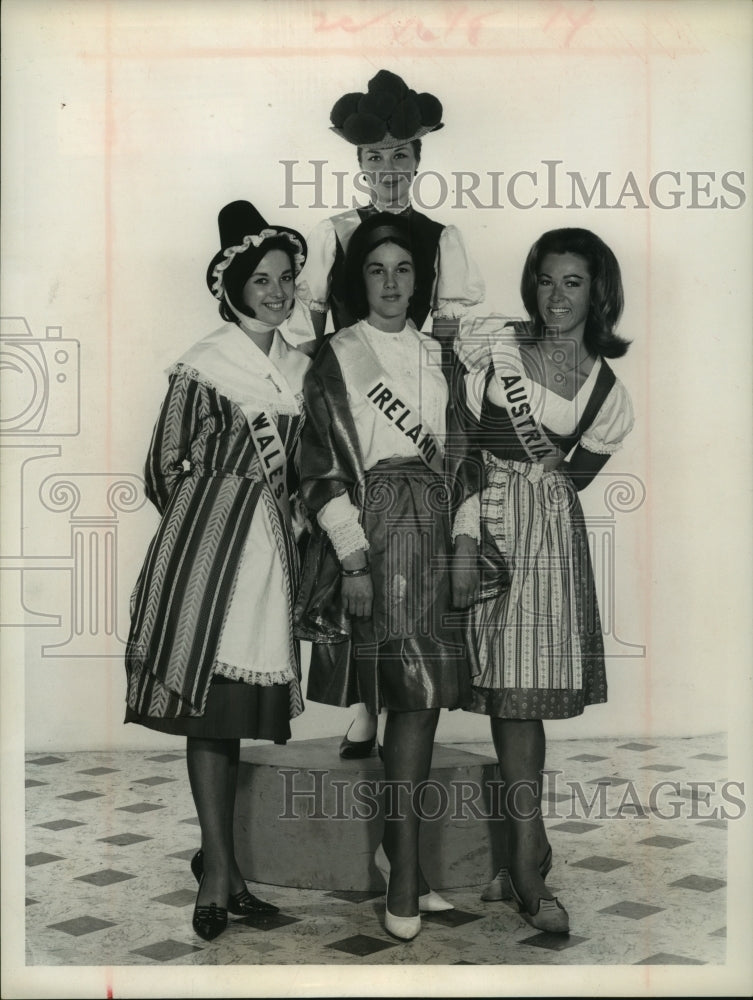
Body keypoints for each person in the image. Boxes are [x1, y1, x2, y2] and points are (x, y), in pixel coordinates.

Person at [124, 200, 313, 941]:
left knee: (236, 716)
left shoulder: (302, 369)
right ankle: (217, 877)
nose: (276, 291)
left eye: (286, 278)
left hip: (271, 566)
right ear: (232, 287)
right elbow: (161, 467)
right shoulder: (203, 364)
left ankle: (225, 871)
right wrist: (208, 528)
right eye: (261, 279)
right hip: (208, 562)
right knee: (208, 718)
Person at [294, 213, 481, 940]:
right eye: (377, 270)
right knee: (408, 696)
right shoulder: (336, 354)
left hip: (435, 530)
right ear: (358, 280)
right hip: (375, 530)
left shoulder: (441, 358)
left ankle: (405, 862)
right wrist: (352, 557)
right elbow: (318, 466)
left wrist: (464, 544)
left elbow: (464, 458)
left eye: (404, 270)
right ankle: (404, 875)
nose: (392, 283)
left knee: (423, 703)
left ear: (420, 281)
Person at [296, 67, 485, 759]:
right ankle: (362, 708)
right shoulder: (334, 231)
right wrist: (318, 398)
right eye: (375, 158)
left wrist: (436, 398)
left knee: (413, 587)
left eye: (400, 155)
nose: (388, 169)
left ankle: (402, 709)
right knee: (353, 564)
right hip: (350, 394)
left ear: (417, 160)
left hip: (413, 403)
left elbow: (445, 337)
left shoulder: (440, 236)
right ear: (359, 165)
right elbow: (311, 326)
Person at [453, 227, 635, 934]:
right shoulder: (495, 349)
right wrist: (467, 536)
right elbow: (461, 450)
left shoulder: (608, 392)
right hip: (477, 524)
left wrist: (537, 505)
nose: (555, 295)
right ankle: (521, 854)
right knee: (490, 692)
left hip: (548, 544)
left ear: (597, 293)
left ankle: (525, 860)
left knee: (519, 696)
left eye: (573, 283)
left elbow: (569, 482)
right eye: (546, 279)